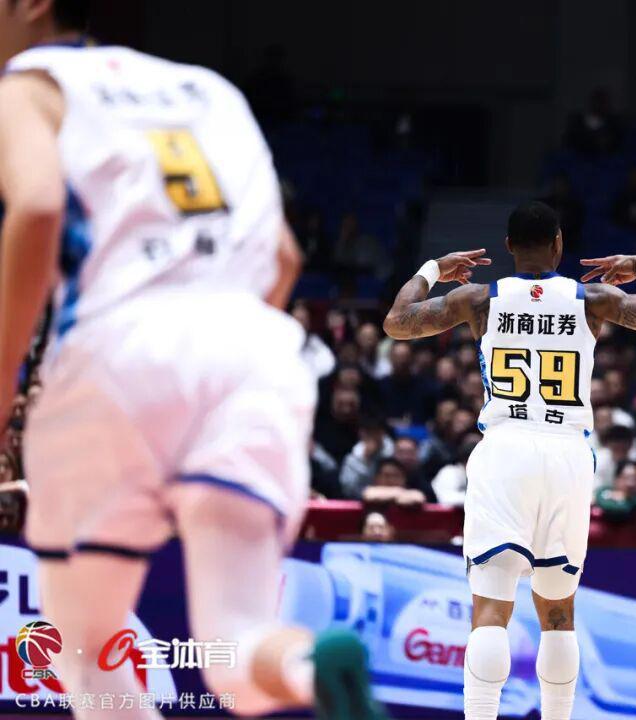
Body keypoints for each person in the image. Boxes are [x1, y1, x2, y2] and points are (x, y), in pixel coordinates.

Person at [0, 3, 375, 718]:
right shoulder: (212, 91)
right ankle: (309, 669)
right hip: (251, 349)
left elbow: (39, 206)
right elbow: (284, 258)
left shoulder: (29, 86)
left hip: (118, 349)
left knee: (84, 648)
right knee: (236, 645)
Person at [382, 200, 636, 720]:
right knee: (558, 609)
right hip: (567, 452)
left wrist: (433, 268)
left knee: (490, 607)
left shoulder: (479, 298)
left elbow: (397, 323)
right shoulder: (592, 298)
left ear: (507, 247)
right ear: (559, 244)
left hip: (505, 450)